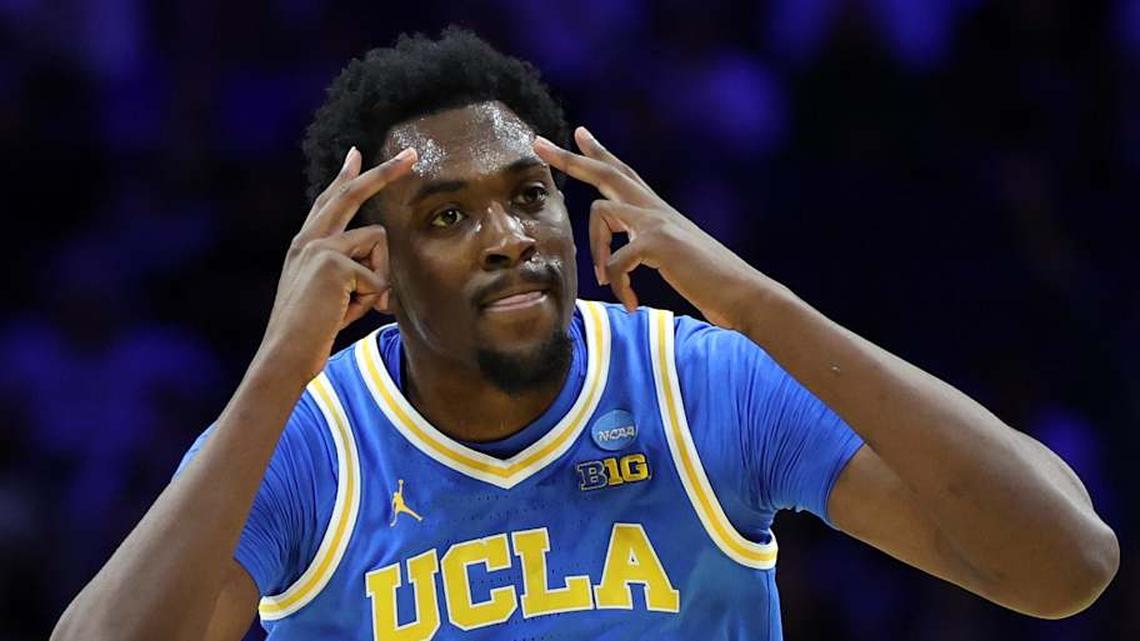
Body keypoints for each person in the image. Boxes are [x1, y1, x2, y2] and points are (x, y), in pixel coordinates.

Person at [51, 28, 1118, 641]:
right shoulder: (305, 442)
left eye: (529, 196)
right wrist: (279, 369)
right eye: (447, 216)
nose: (510, 237)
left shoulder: (700, 382)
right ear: (371, 263)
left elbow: (1065, 564)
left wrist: (757, 303)